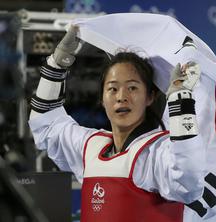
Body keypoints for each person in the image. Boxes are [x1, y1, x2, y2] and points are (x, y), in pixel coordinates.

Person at [28, 26, 206, 222]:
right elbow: (45, 125)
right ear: (102, 99)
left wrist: (180, 99)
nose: (122, 97)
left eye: (132, 88)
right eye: (112, 89)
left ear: (150, 97)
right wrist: (56, 64)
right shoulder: (90, 147)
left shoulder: (157, 152)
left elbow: (189, 184)